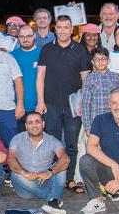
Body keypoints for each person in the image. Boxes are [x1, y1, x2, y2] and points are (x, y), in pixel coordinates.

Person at [36, 14, 92, 193]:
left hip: (73, 107)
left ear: (71, 29)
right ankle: (53, 176)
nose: (62, 31)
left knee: (71, 144)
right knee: (52, 142)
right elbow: (40, 77)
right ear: (55, 29)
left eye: (66, 27)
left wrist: (84, 103)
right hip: (51, 104)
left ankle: (69, 179)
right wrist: (40, 101)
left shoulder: (80, 50)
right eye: (59, 27)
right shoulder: (46, 49)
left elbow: (86, 79)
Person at [8, 112, 70, 214]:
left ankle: (53, 200)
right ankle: (53, 199)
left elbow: (65, 159)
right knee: (15, 174)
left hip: (45, 179)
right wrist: (25, 173)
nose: (34, 125)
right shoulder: (17, 139)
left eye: (37, 122)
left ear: (43, 124)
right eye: (30, 123)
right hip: (26, 186)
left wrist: (50, 172)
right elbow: (11, 159)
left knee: (61, 166)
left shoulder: (52, 140)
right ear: (26, 126)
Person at [81, 48, 119, 137]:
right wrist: (87, 127)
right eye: (97, 59)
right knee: (96, 145)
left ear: (108, 61)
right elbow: (85, 104)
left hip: (114, 121)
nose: (100, 62)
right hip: (96, 122)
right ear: (92, 62)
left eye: (103, 59)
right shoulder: (89, 79)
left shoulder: (116, 78)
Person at [10, 24, 40, 130]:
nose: (25, 39)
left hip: (38, 106)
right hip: (17, 107)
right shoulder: (12, 56)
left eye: (28, 36)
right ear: (18, 37)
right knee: (20, 138)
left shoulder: (42, 53)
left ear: (34, 36)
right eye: (22, 36)